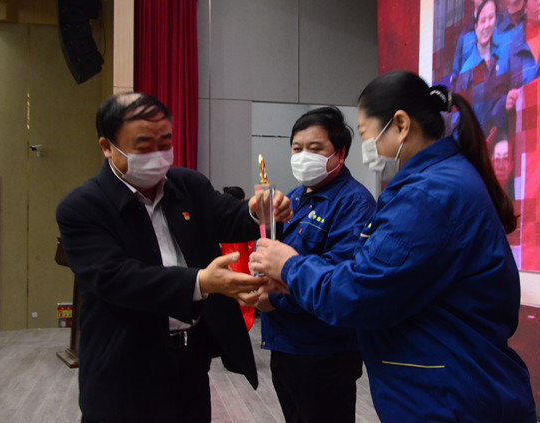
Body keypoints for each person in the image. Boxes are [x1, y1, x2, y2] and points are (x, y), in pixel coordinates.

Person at [250, 71, 537, 422]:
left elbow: (361, 291)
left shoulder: (426, 195)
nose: (369, 148)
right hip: (443, 384)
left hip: (450, 395)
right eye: (297, 148)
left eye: (367, 134)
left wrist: (291, 267)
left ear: (400, 125)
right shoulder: (433, 183)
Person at [55, 92, 292, 423]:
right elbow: (115, 277)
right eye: (143, 146)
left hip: (189, 362)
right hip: (124, 371)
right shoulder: (82, 207)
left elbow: (227, 216)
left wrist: (258, 212)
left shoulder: (186, 184)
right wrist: (201, 282)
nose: (157, 154)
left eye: (165, 142)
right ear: (108, 147)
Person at [257, 107, 376, 423]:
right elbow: (272, 253)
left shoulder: (354, 202)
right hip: (284, 343)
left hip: (324, 351)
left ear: (340, 153)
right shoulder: (294, 198)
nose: (303, 156)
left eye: (315, 148)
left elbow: (339, 276)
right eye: (297, 148)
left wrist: (275, 298)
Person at [455, 0, 511, 135]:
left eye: (491, 18)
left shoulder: (503, 55)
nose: (487, 25)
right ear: (476, 26)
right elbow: (457, 117)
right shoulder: (467, 70)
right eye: (482, 21)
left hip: (503, 136)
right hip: (477, 139)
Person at [220, 186, 258, 331]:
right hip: (241, 265)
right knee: (244, 307)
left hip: (222, 264)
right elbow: (251, 247)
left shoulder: (220, 217)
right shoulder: (243, 220)